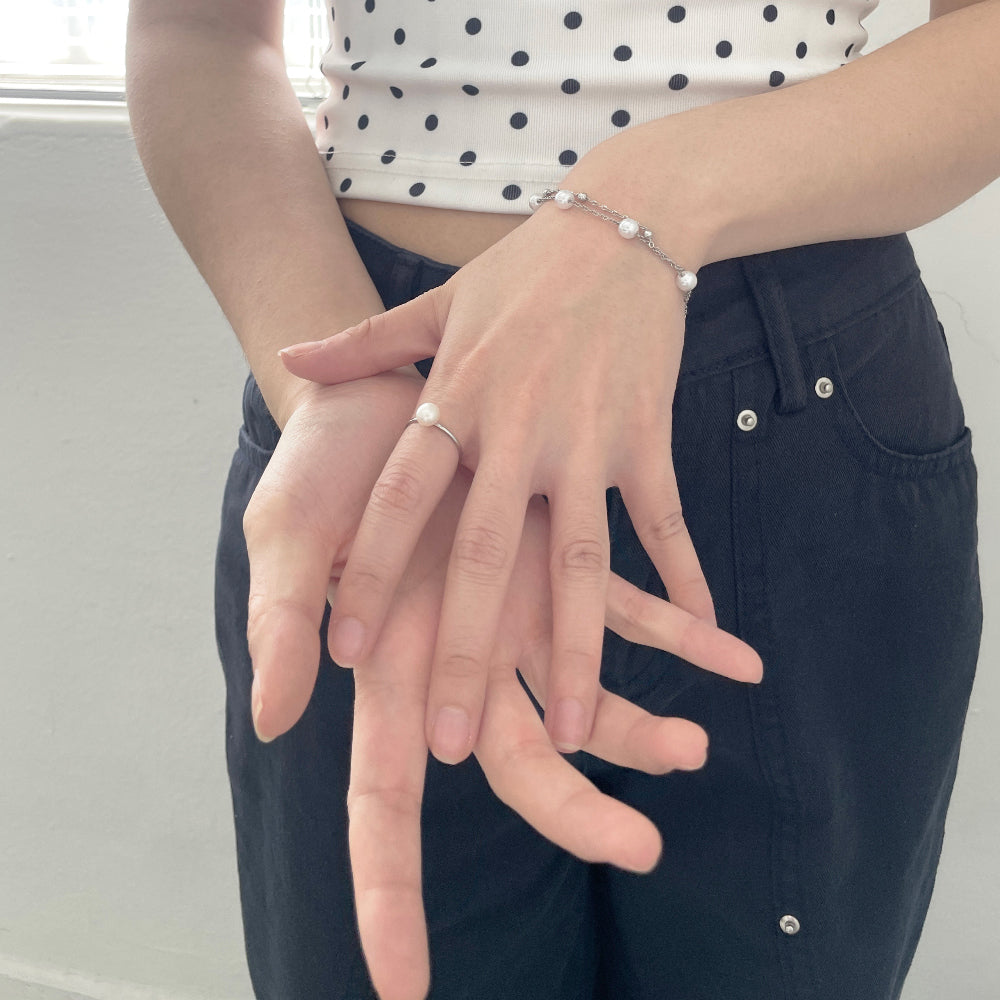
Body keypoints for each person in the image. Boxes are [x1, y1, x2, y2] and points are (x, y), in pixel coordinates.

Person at [126, 1, 990, 997]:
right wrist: (345, 390)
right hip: (373, 400)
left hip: (798, 396)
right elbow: (198, 29)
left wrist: (642, 203)